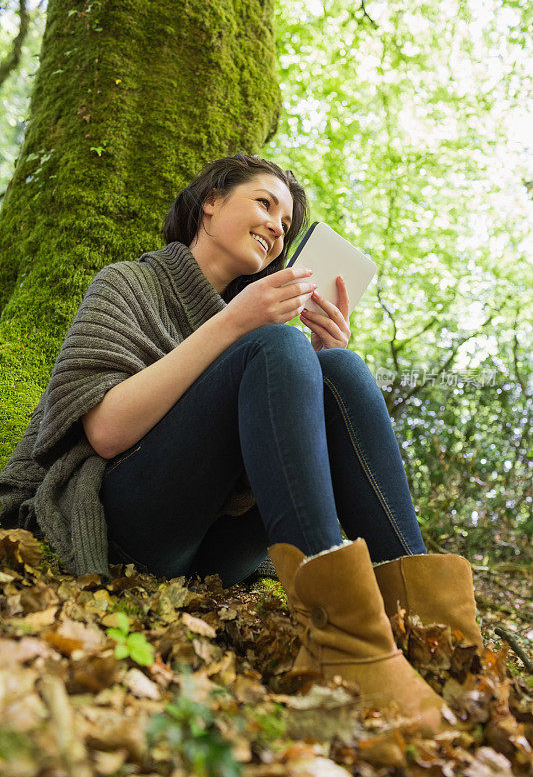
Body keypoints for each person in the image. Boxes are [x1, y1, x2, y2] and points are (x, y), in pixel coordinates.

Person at [0, 153, 482, 736]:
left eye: (286, 222)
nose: (279, 225)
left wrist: (318, 360)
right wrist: (237, 328)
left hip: (221, 553)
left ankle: (439, 635)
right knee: (279, 347)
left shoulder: (255, 322)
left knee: (343, 368)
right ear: (210, 201)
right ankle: (345, 641)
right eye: (264, 203)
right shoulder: (129, 283)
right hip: (128, 520)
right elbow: (104, 433)